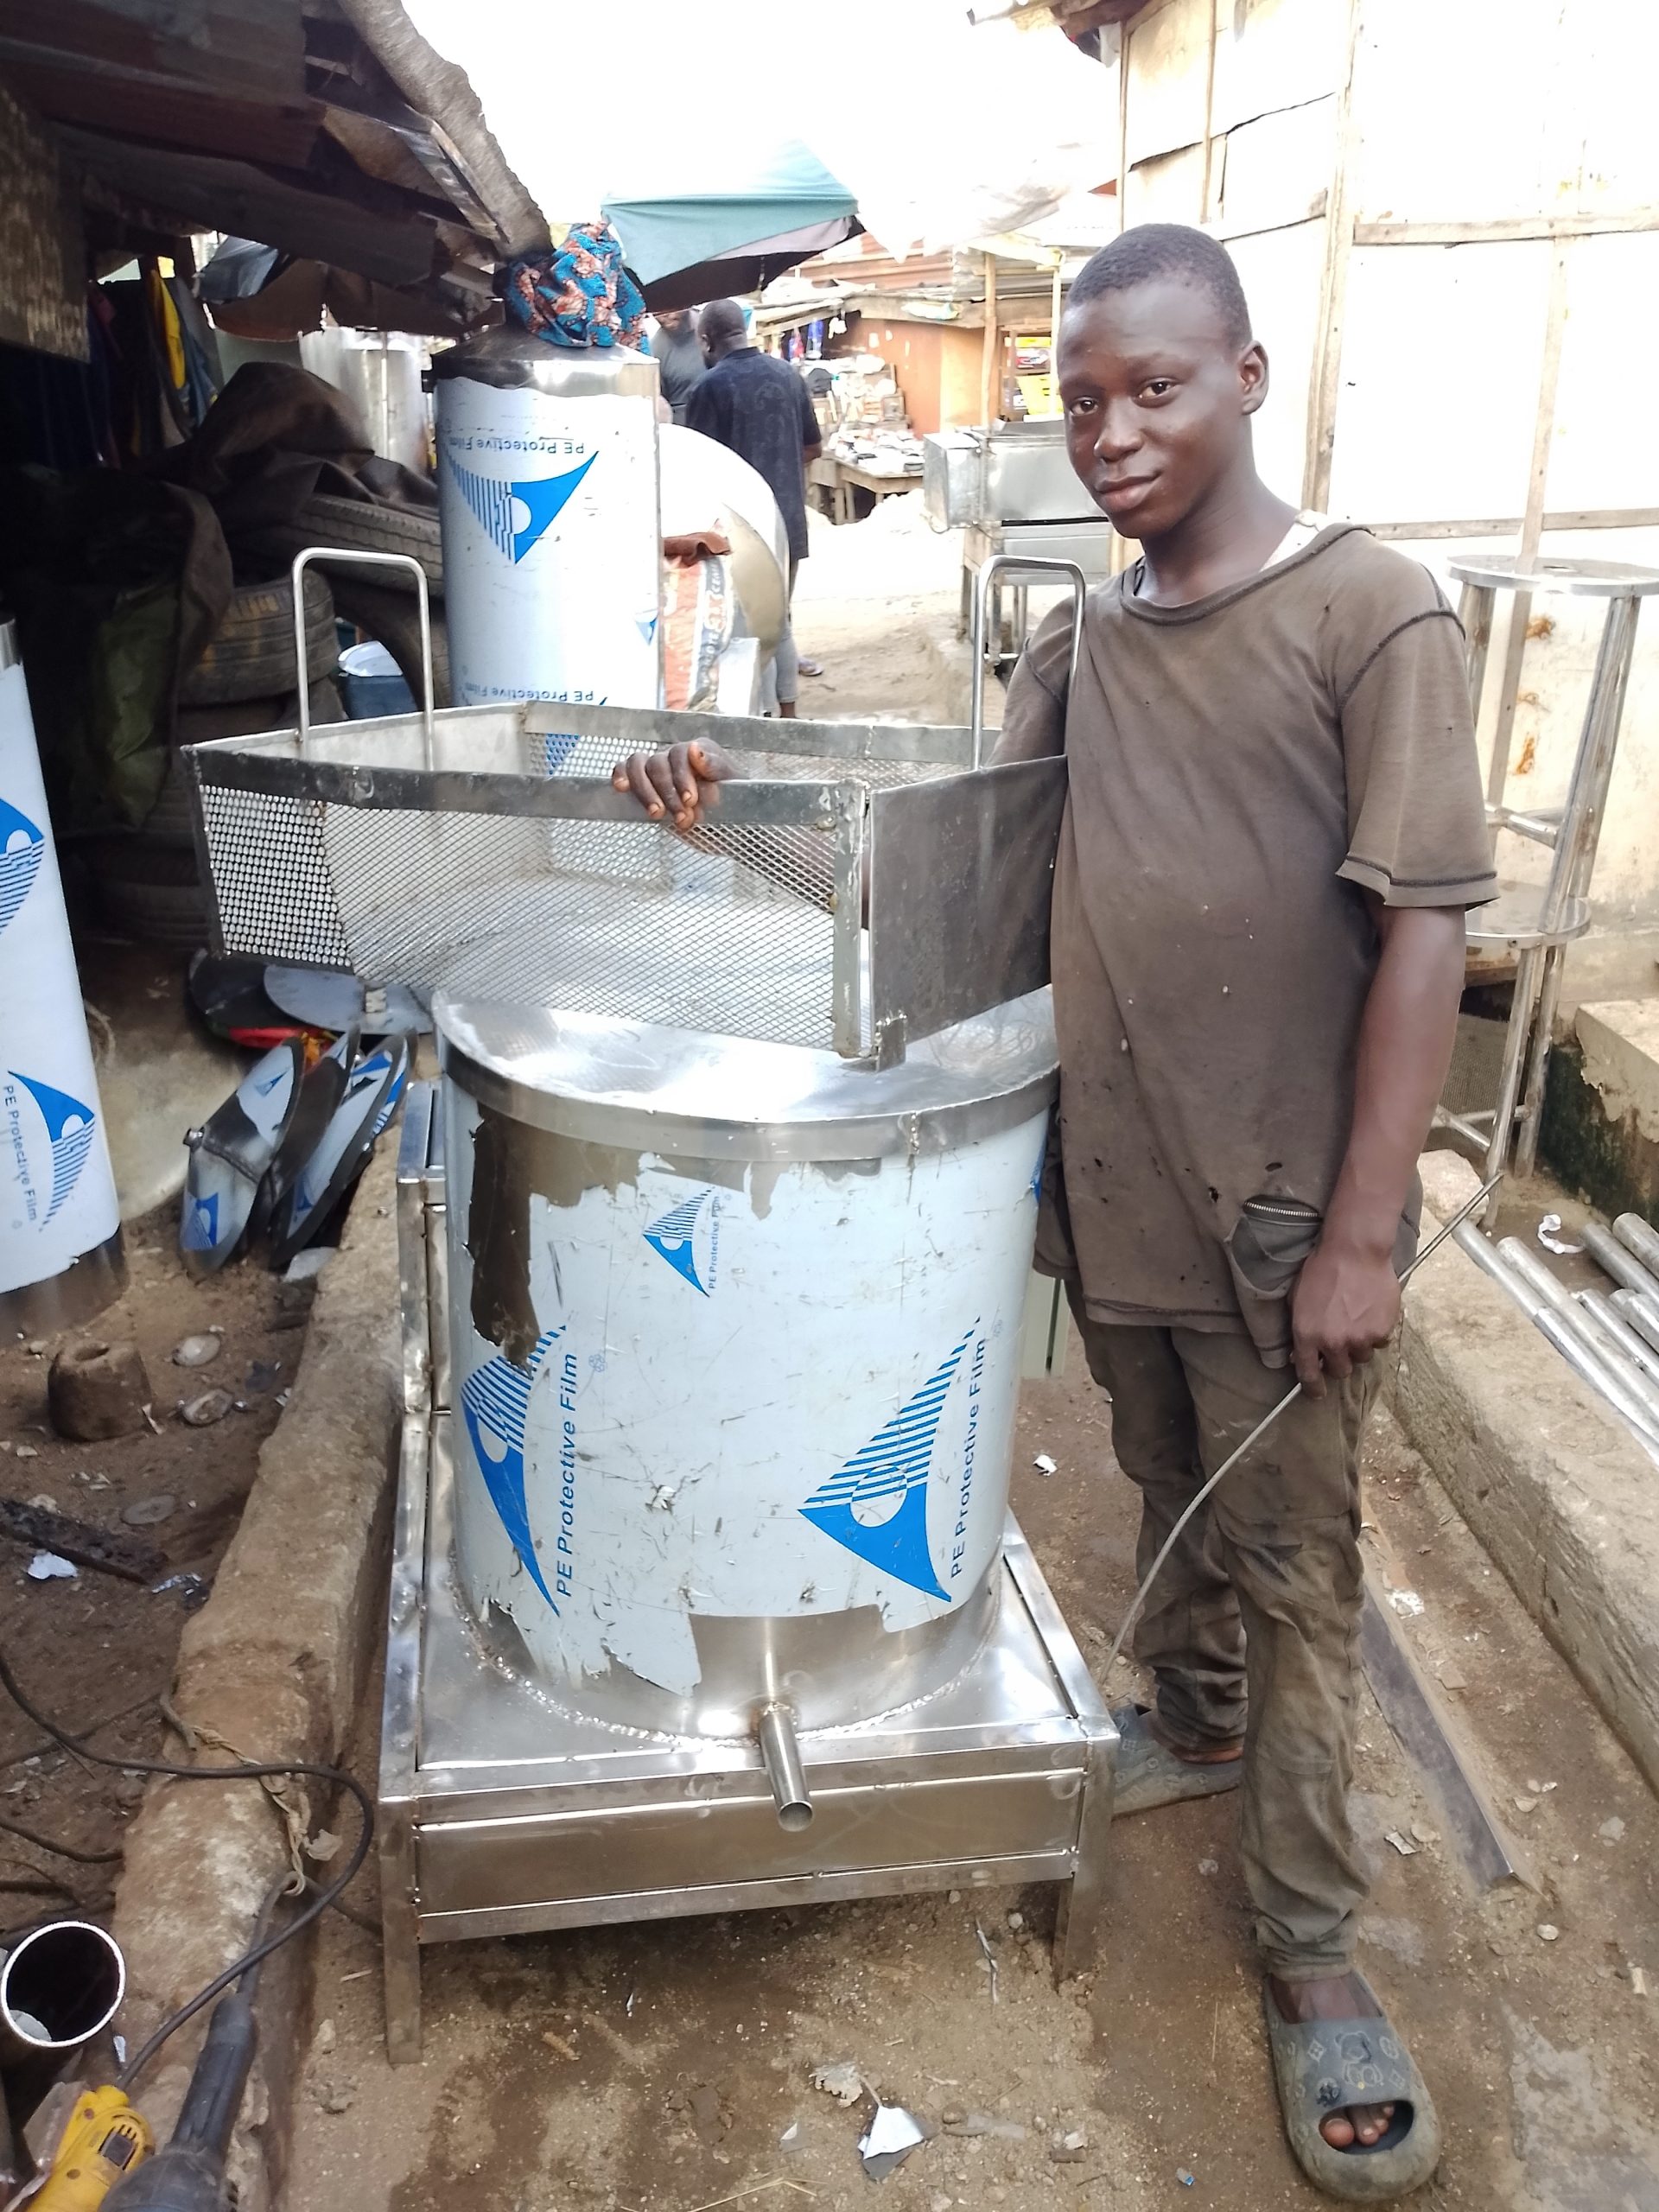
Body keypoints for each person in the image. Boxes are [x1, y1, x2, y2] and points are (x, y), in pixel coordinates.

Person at [612, 224, 1492, 2202]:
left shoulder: (1370, 615)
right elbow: (952, 889)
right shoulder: (1084, 643)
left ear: (1247, 375)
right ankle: (1192, 1718)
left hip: (1281, 1218)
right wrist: (729, 816)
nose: (1110, 432)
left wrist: (1365, 1233)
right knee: (1164, 1473)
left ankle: (1310, 1940)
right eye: (1081, 399)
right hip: (1118, 1198)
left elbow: (1426, 934)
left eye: (1153, 387)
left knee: (1297, 1567)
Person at [684, 299, 823, 714]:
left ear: (706, 341)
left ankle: (761, 720)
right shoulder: (788, 375)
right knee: (779, 622)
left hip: (734, 531)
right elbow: (813, 447)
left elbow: (697, 466)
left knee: (745, 630)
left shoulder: (708, 388)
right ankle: (789, 716)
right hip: (788, 522)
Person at [650, 308, 707, 427]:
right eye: (658, 311)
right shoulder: (655, 350)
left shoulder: (713, 326)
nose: (665, 315)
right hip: (686, 427)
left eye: (669, 307)